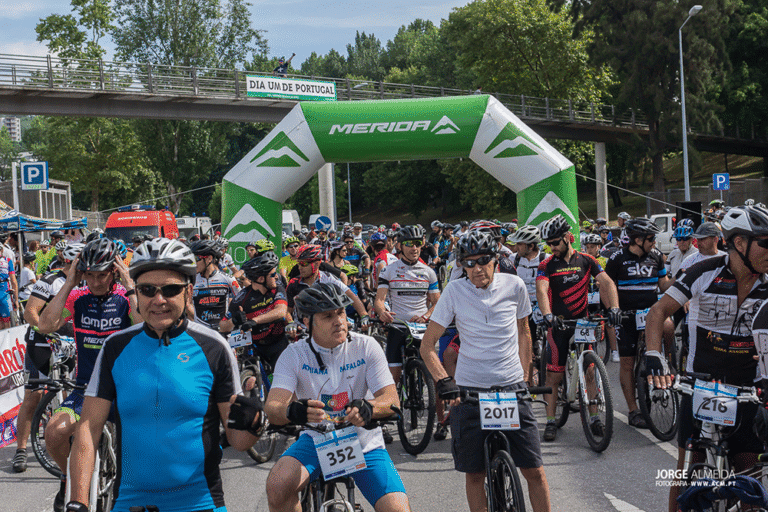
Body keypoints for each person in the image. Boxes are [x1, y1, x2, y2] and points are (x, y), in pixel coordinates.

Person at [65, 238, 264, 512]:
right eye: (147, 290)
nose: (158, 300)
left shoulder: (214, 347)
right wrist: (78, 500)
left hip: (199, 503)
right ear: (136, 292)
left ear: (188, 292)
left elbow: (239, 441)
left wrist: (255, 420)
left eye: (170, 289)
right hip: (131, 503)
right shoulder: (115, 347)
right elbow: (88, 428)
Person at [645, 205, 768, 512]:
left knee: (749, 474)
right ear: (740, 243)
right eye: (765, 241)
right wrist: (653, 355)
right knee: (688, 467)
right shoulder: (704, 271)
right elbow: (659, 312)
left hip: (748, 387)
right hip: (699, 383)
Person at [419, 230, 551, 512]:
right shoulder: (455, 291)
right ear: (461, 265)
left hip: (512, 387)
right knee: (475, 474)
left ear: (496, 259)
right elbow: (427, 345)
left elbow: (524, 331)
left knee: (534, 471)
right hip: (469, 392)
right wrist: (444, 381)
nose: (477, 268)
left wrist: (526, 377)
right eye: (468, 262)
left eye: (483, 260)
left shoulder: (514, 285)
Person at [264, 282, 410, 512]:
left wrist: (369, 408)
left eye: (341, 312)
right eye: (327, 316)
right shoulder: (293, 354)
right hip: (315, 438)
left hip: (363, 443)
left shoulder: (366, 346)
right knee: (277, 485)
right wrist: (293, 411)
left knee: (398, 509)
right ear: (307, 322)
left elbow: (391, 399)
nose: (339, 321)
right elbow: (273, 406)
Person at [36, 238, 139, 512]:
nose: (94, 282)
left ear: (114, 271)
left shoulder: (125, 298)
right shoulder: (77, 298)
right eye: (89, 275)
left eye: (101, 275)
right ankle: (70, 475)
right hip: (87, 389)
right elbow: (45, 325)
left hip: (125, 389)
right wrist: (70, 281)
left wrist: (130, 285)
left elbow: (143, 327)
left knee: (139, 453)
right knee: (54, 434)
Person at [535, 214, 620, 442]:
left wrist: (614, 308)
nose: (551, 247)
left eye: (555, 242)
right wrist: (548, 315)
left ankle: (594, 418)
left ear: (567, 237)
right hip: (558, 324)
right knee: (553, 375)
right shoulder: (547, 264)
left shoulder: (586, 260)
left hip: (582, 322)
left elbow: (607, 283)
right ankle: (551, 421)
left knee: (590, 370)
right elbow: (542, 291)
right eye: (548, 243)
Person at [12, 244, 82, 474]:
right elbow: (30, 312)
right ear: (69, 262)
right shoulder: (50, 280)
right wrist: (49, 332)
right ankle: (21, 449)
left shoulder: (87, 282)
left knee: (71, 392)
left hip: (71, 344)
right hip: (41, 342)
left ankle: (66, 438)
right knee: (34, 396)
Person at [604, 218, 672, 429]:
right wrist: (612, 310)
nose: (654, 242)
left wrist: (680, 280)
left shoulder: (656, 257)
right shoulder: (617, 259)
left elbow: (663, 284)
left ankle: (669, 362)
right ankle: (633, 409)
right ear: (637, 239)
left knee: (669, 325)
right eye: (651, 238)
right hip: (626, 316)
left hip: (650, 314)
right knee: (627, 362)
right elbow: (606, 286)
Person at [374, 225, 440, 385]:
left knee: (434, 379)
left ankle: (437, 410)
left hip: (420, 327)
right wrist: (382, 312)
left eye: (418, 243)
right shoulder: (388, 271)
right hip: (398, 326)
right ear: (400, 246)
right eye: (409, 244)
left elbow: (438, 303)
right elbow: (379, 300)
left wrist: (426, 316)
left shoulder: (428, 272)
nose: (414, 248)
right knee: (393, 378)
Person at [220, 251, 289, 374]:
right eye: (273, 274)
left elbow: (281, 311)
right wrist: (235, 320)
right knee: (250, 379)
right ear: (261, 278)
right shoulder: (241, 298)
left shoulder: (277, 287)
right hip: (255, 346)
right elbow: (222, 326)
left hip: (278, 342)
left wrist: (254, 320)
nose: (277, 277)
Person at [190, 239, 240, 331]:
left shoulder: (229, 279)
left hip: (223, 332)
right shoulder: (191, 281)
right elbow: (186, 304)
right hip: (201, 332)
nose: (193, 263)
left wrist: (229, 320)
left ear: (209, 258)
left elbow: (241, 301)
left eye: (196, 259)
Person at [0, 237, 18, 330]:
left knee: (4, 321)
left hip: (4, 291)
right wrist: (16, 300)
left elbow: (14, 281)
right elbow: (13, 281)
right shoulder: (8, 261)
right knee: (6, 321)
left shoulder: (8, 261)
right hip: (4, 290)